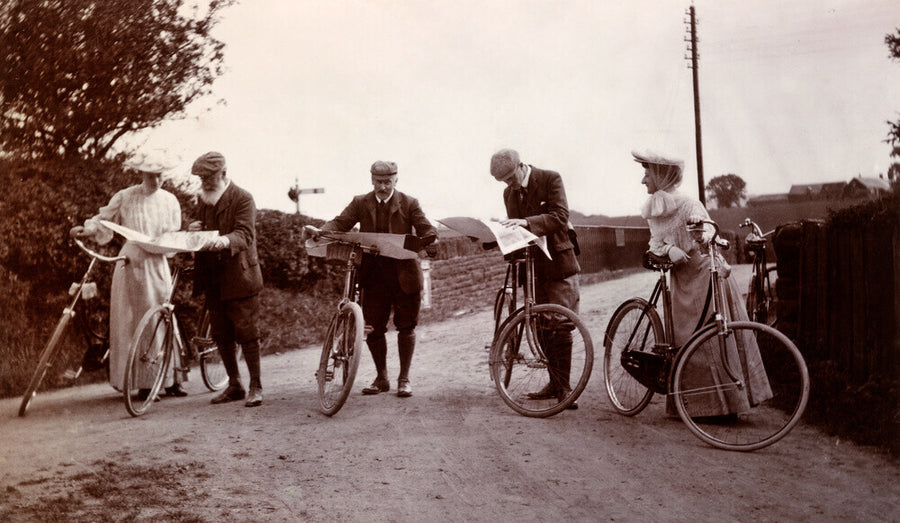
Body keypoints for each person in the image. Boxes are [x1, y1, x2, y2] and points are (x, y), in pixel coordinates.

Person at [632, 150, 772, 416]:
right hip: (681, 279)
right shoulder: (654, 207)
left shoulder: (688, 203)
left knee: (712, 336)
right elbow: (655, 244)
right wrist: (668, 250)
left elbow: (709, 233)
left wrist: (701, 233)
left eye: (647, 174)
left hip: (706, 275)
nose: (643, 180)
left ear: (661, 175)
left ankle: (726, 405)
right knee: (684, 341)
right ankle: (694, 408)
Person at [70, 158, 185, 399]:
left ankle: (171, 378)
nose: (156, 180)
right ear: (141, 173)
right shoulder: (125, 196)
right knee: (132, 319)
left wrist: (165, 243)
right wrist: (87, 229)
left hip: (157, 261)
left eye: (160, 175)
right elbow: (104, 219)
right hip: (131, 262)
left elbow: (174, 232)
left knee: (162, 316)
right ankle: (143, 382)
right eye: (151, 175)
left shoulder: (170, 200)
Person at [320, 160, 436, 398]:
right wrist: (321, 231)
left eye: (387, 182)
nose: (383, 187)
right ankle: (381, 377)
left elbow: (425, 227)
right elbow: (340, 223)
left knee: (406, 327)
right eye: (378, 182)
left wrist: (430, 237)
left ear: (396, 180)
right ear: (371, 180)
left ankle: (404, 379)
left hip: (404, 276)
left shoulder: (409, 203)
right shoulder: (360, 202)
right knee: (373, 329)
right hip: (374, 278)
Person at [489, 148, 581, 409]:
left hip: (559, 263)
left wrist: (526, 222)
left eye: (510, 178)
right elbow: (515, 228)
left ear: (520, 166)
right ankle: (554, 382)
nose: (509, 185)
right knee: (540, 324)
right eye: (504, 182)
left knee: (561, 323)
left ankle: (564, 388)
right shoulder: (509, 193)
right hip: (533, 268)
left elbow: (560, 217)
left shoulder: (551, 179)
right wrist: (494, 235)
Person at [189, 151, 265, 407]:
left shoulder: (243, 198)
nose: (204, 182)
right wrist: (193, 229)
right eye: (201, 177)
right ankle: (234, 384)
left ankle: (256, 386)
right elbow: (201, 227)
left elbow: (245, 234)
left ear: (223, 173)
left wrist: (224, 240)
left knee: (247, 331)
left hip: (239, 275)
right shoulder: (204, 199)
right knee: (221, 333)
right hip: (213, 277)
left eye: (209, 177)